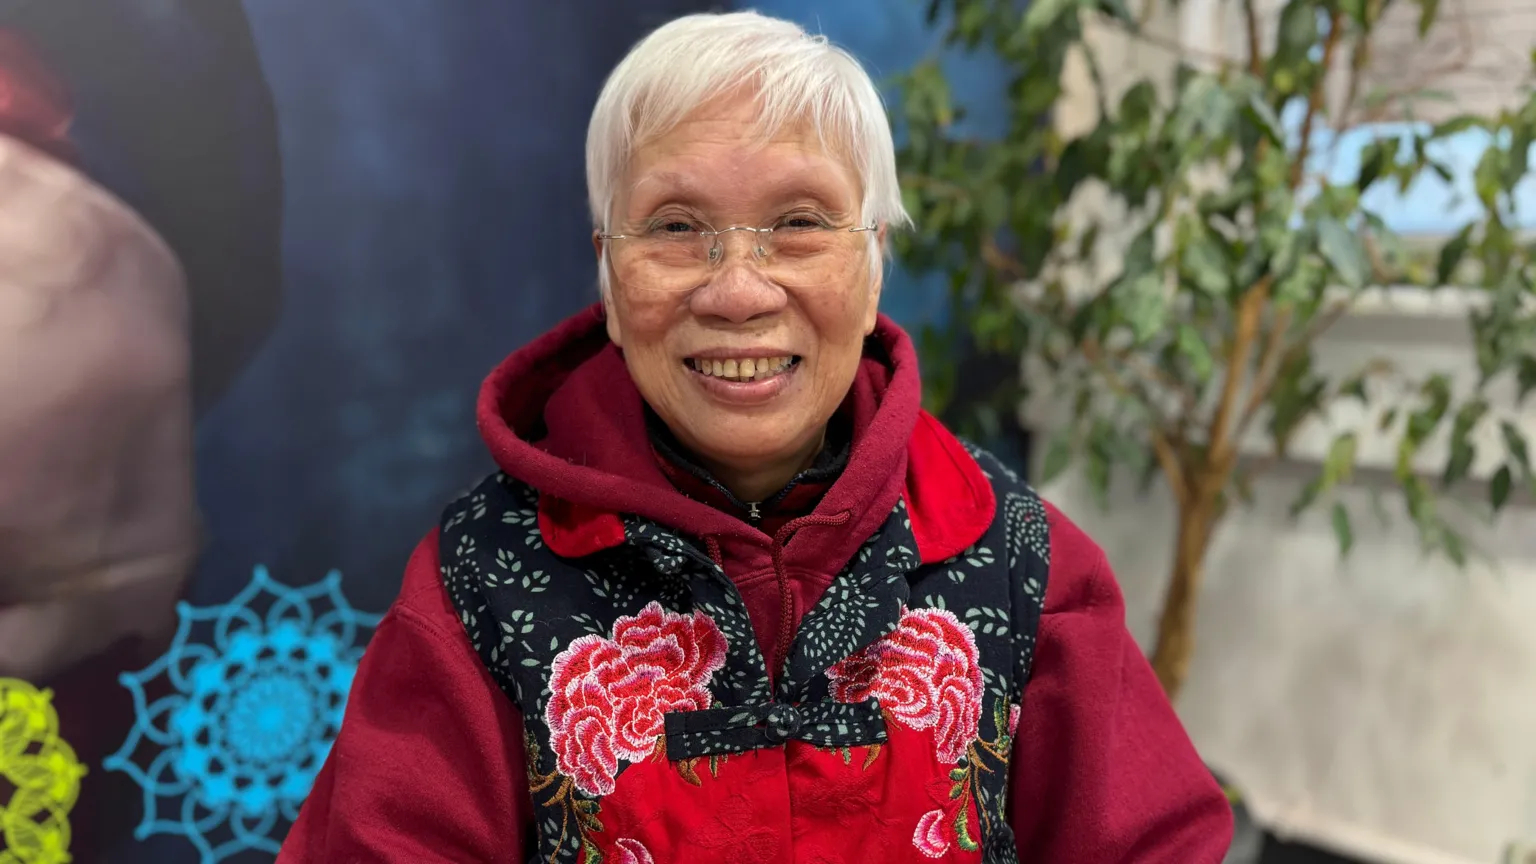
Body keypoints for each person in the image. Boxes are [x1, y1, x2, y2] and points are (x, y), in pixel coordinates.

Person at [279, 11, 1233, 862]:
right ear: (611, 281)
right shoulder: (480, 580)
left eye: (800, 223)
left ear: (872, 268)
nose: (738, 289)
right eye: (677, 227)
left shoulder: (1022, 564)